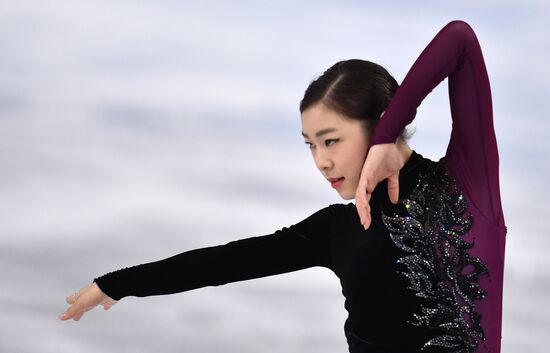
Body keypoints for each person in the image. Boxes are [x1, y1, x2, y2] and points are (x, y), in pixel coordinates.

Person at [59, 19, 507, 353]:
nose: (321, 161)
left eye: (331, 140)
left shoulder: (465, 187)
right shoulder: (337, 230)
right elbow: (227, 262)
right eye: (310, 145)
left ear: (377, 124)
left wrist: (389, 132)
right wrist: (119, 283)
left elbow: (460, 40)